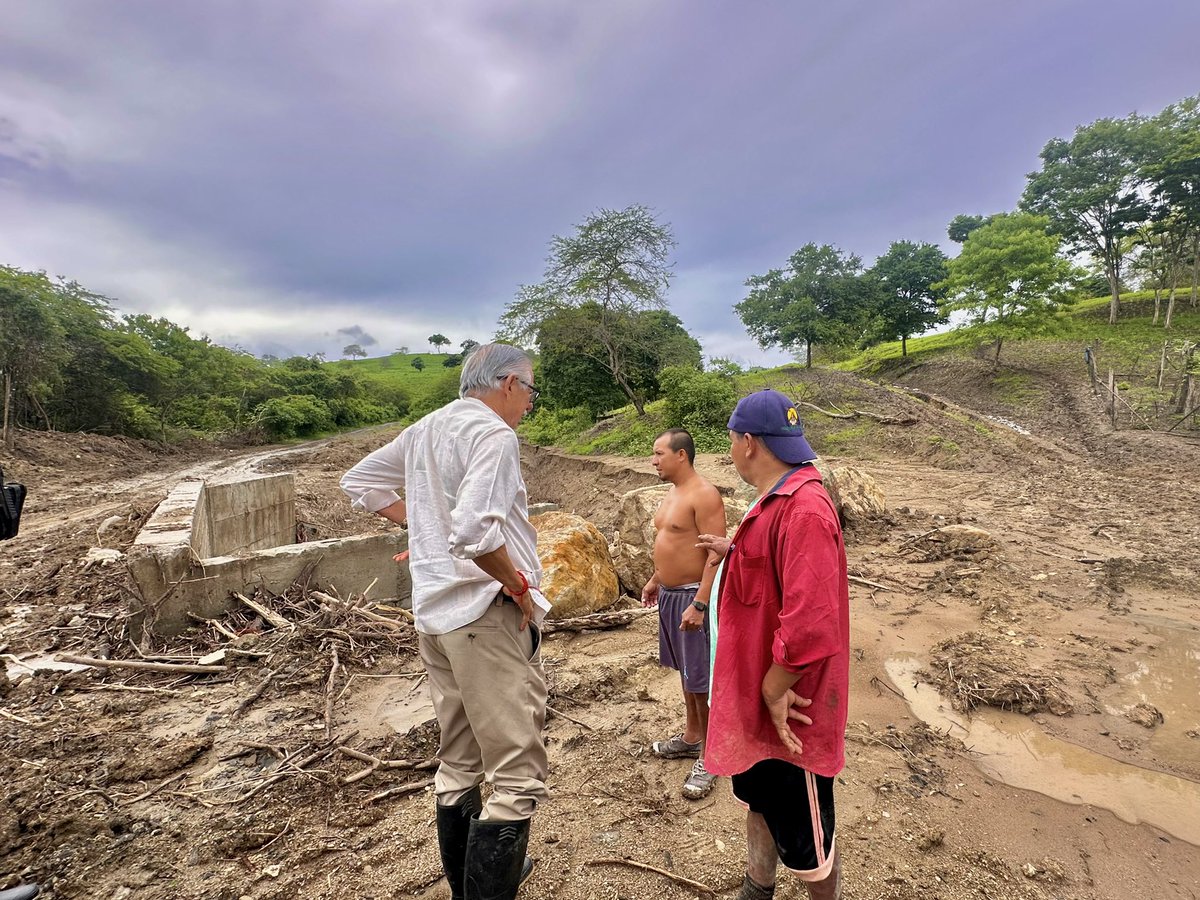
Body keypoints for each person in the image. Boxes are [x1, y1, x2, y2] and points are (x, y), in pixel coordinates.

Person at [340, 343, 549, 900]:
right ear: (507, 383)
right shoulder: (493, 436)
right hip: (482, 615)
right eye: (530, 391)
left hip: (434, 616)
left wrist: (421, 526)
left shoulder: (428, 427)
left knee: (459, 760)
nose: (529, 403)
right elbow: (477, 533)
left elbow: (360, 482)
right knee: (515, 770)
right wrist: (517, 582)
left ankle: (466, 888)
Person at [696, 390, 850, 900]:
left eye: (732, 441)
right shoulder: (774, 497)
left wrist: (773, 690)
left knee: (807, 837)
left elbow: (811, 626)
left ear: (746, 443)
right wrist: (736, 551)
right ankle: (756, 887)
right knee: (758, 800)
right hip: (758, 699)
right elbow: (776, 574)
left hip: (790, 710)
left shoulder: (804, 509)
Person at [640, 429, 727, 799]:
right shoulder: (673, 493)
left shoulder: (705, 495)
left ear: (681, 455)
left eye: (659, 453)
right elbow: (673, 544)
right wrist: (655, 579)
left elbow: (714, 554)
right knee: (685, 672)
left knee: (700, 678)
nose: (654, 460)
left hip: (695, 597)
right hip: (671, 595)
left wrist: (701, 603)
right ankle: (693, 737)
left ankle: (711, 756)